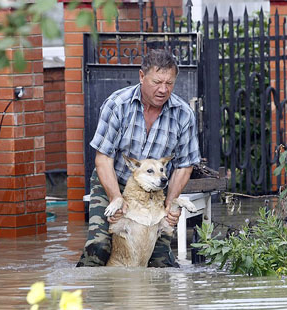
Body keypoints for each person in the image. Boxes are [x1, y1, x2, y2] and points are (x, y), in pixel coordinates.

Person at [76, 49, 201, 267]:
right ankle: (92, 298)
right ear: (142, 77)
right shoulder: (117, 104)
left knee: (161, 257)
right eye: (157, 82)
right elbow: (103, 159)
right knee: (98, 246)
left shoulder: (183, 114)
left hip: (155, 188)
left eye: (169, 83)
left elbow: (184, 164)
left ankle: (156, 298)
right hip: (115, 179)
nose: (163, 89)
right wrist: (116, 197)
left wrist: (170, 202)